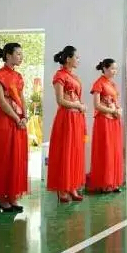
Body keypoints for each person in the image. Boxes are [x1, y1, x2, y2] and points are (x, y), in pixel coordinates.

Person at [0, 43, 29, 212]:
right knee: (3, 157)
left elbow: (22, 98)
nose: (21, 57)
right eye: (18, 54)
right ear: (8, 55)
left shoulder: (18, 76)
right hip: (4, 121)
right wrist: (16, 118)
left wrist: (24, 116)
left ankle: (12, 195)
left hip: (19, 121)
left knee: (16, 158)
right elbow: (1, 101)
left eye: (21, 54)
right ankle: (2, 197)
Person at [47, 46, 87, 203]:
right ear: (68, 59)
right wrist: (78, 105)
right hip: (66, 118)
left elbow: (76, 97)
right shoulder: (60, 76)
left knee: (76, 150)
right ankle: (62, 188)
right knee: (65, 151)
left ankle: (72, 186)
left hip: (77, 118)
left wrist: (80, 106)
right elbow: (60, 100)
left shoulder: (75, 77)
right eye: (76, 57)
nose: (78, 60)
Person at [87, 59, 123, 193]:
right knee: (105, 150)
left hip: (114, 120)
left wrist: (118, 110)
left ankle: (113, 182)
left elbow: (115, 102)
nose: (115, 71)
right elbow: (97, 105)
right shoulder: (98, 83)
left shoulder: (112, 84)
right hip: (103, 121)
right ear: (105, 69)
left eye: (116, 69)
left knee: (114, 150)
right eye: (112, 68)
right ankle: (104, 183)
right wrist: (112, 111)